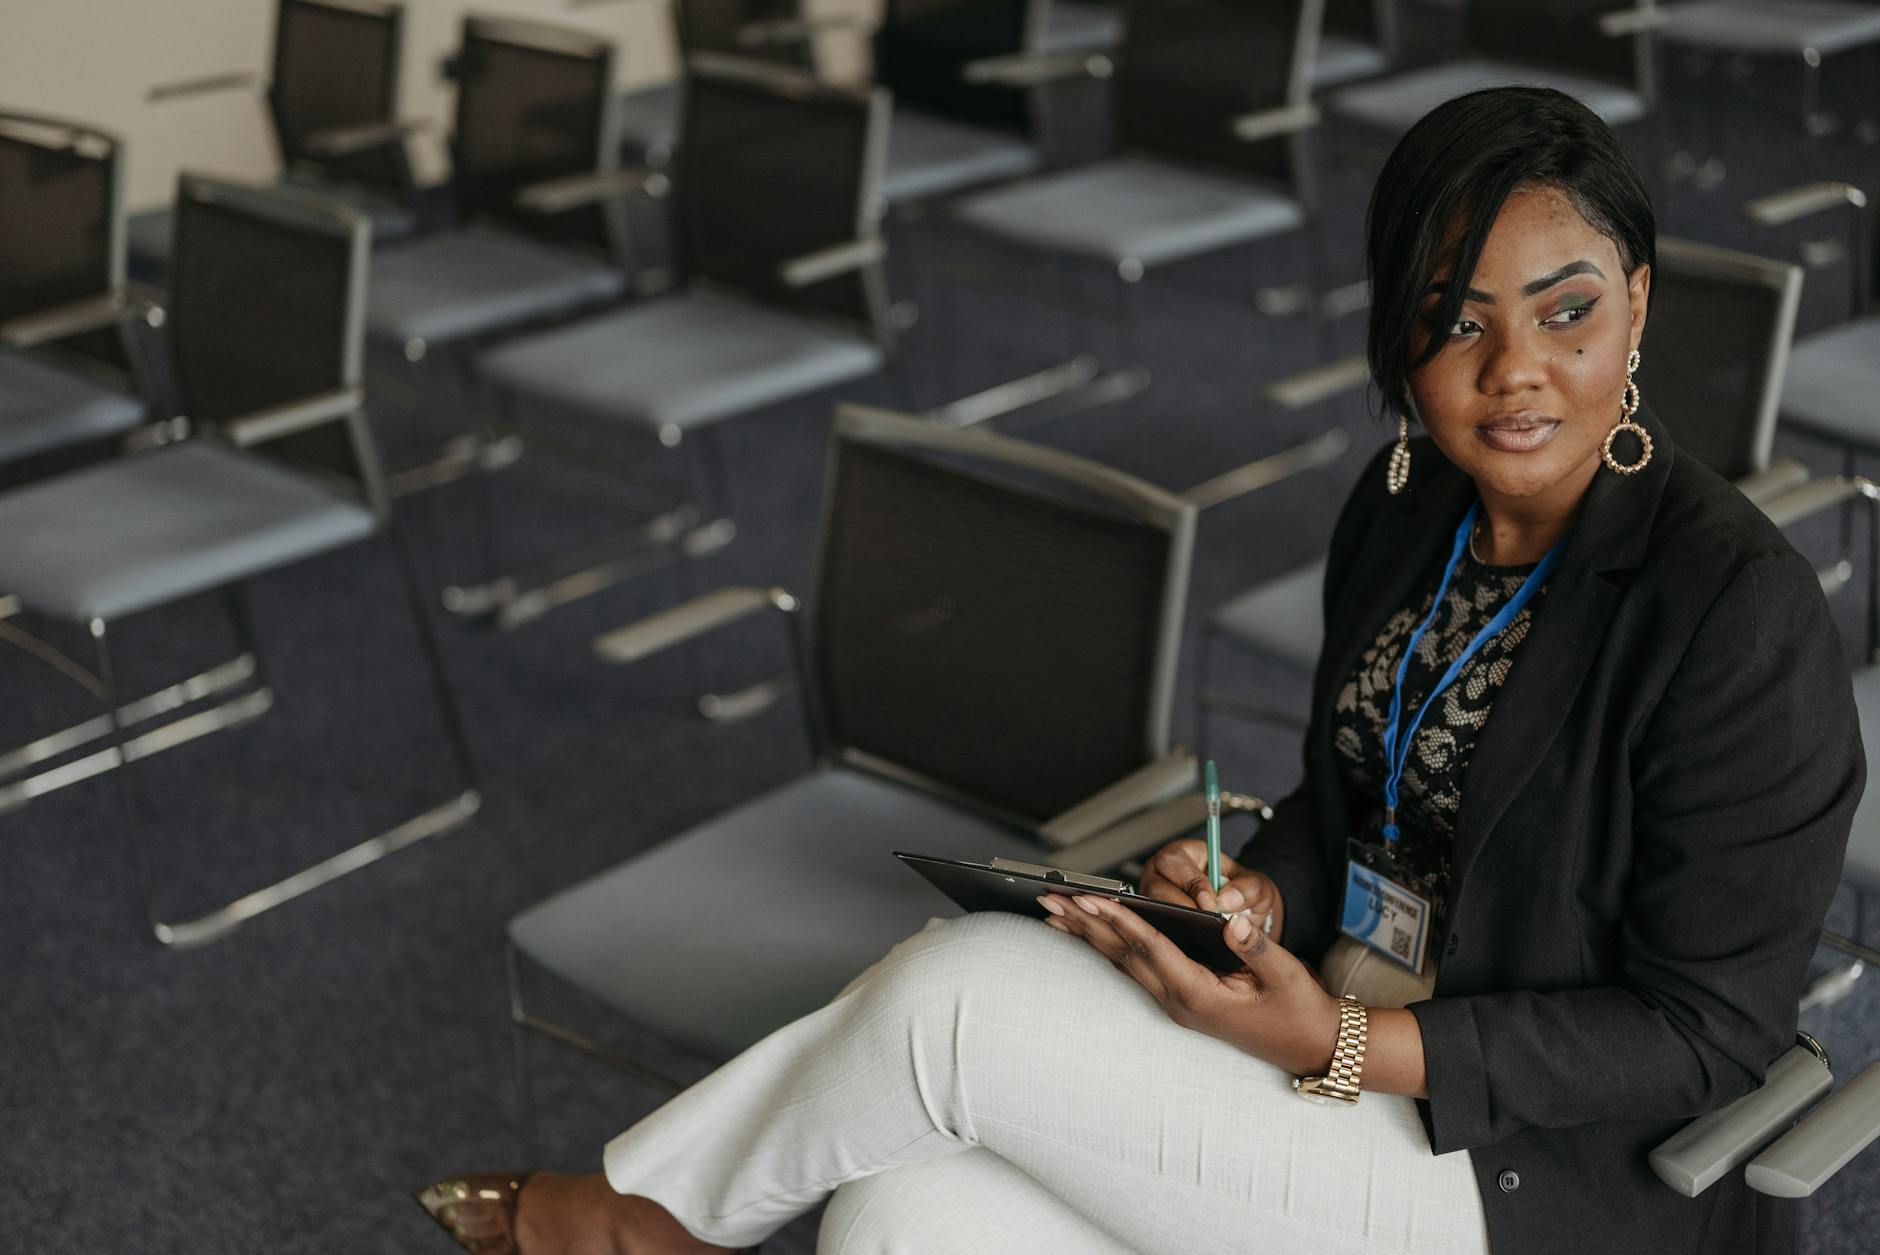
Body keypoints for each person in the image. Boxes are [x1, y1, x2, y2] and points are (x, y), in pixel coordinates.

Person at [415, 86, 1862, 1255]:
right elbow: (1350, 801)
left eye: (1568, 311)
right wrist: (1264, 888)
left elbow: (1702, 1034)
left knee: (961, 998)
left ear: (1641, 306)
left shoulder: (1733, 613)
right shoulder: (1406, 508)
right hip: (1303, 1033)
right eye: (1455, 319)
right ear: (1397, 331)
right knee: (899, 1224)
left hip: (1523, 1177)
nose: (1515, 370)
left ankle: (638, 1228)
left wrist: (1355, 1043)